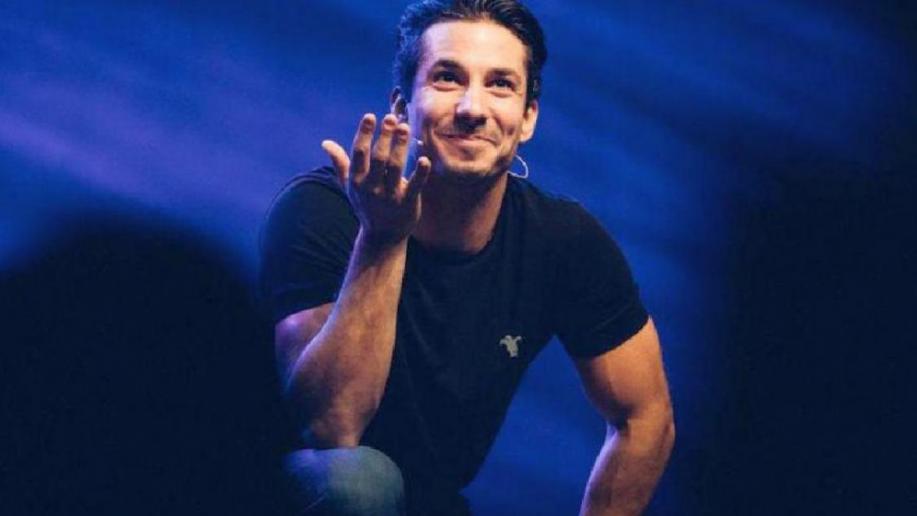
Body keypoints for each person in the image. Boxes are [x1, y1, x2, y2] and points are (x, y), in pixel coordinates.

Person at [259, 1, 675, 514]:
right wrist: (383, 237)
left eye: (500, 84)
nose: (472, 107)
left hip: (433, 503)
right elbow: (331, 428)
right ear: (401, 106)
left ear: (528, 118)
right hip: (292, 492)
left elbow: (645, 416)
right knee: (361, 482)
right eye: (448, 78)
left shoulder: (561, 240)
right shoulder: (323, 210)